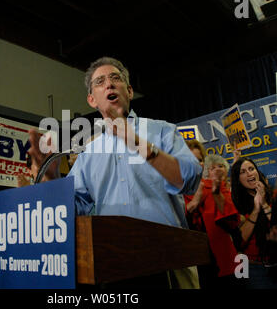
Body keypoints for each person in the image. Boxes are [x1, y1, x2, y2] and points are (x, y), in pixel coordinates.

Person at [28, 57, 203, 288]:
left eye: (115, 78)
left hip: (168, 261)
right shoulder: (89, 151)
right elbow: (72, 209)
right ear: (92, 99)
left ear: (129, 91)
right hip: (112, 267)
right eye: (100, 82)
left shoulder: (162, 130)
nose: (109, 84)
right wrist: (50, 177)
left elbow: (189, 178)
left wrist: (135, 142)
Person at [184, 154, 241, 288]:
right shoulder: (190, 188)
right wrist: (196, 200)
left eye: (220, 166)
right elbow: (183, 220)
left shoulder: (222, 189)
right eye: (213, 167)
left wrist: (216, 193)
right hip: (202, 257)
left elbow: (232, 221)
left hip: (226, 255)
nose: (217, 170)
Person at [231, 157, 277, 288]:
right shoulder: (235, 203)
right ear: (238, 179)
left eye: (251, 169)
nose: (249, 173)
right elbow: (240, 241)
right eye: (243, 172)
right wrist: (256, 209)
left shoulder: (273, 196)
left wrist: (264, 204)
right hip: (252, 267)